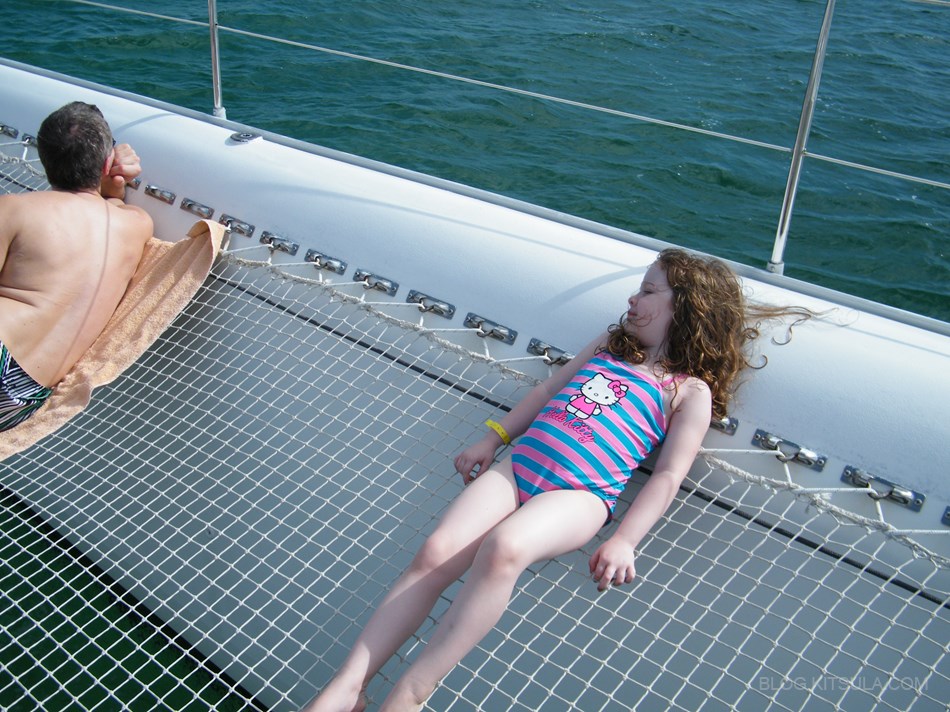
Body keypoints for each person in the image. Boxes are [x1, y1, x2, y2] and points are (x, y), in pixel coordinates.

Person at [303, 248, 808, 712]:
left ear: (688, 307)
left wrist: (626, 540)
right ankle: (349, 687)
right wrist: (494, 437)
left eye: (649, 291)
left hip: (580, 495)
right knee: (436, 551)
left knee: (504, 548)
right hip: (519, 466)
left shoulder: (688, 391)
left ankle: (411, 695)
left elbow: (670, 474)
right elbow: (549, 391)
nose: (633, 299)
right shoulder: (611, 346)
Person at [0, 101, 153, 431]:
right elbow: (108, 205)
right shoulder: (137, 224)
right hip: (20, 401)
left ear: (44, 158)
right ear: (106, 162)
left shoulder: (13, 209)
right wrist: (114, 186)